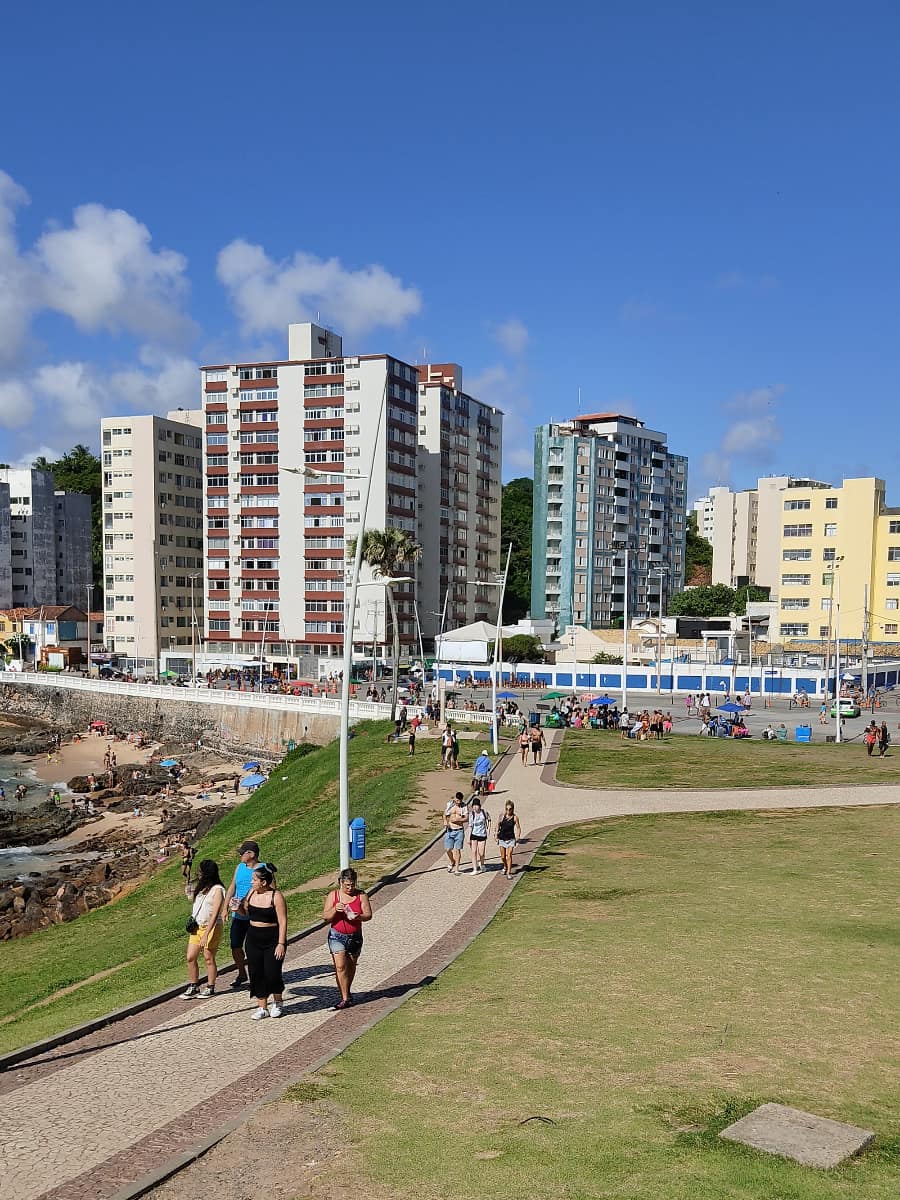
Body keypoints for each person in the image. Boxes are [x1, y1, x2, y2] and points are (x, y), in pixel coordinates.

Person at [240, 863, 288, 1019]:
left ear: (264, 882)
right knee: (256, 972)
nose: (251, 882)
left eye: (254, 880)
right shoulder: (251, 893)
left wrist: (281, 943)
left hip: (272, 937)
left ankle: (278, 1002)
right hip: (253, 937)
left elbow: (283, 921)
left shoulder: (276, 896)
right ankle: (262, 1006)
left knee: (272, 972)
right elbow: (245, 912)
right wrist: (237, 908)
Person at [323, 867, 373, 1010]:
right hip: (337, 935)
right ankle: (344, 998)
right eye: (347, 885)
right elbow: (325, 917)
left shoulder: (361, 895)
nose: (350, 888)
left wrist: (359, 916)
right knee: (340, 966)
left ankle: (347, 992)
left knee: (350, 967)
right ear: (341, 883)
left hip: (355, 936)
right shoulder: (333, 895)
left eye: (352, 885)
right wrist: (334, 909)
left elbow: (368, 915)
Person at [181, 859, 226, 999]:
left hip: (212, 927)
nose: (198, 874)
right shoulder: (201, 888)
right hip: (197, 926)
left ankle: (210, 986)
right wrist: (189, 892)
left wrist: (206, 934)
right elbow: (196, 903)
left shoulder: (218, 889)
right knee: (190, 957)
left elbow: (215, 913)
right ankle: (194, 985)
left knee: (208, 957)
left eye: (200, 871)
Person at [223, 839, 261, 988]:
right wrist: (225, 907)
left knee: (253, 947)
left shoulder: (263, 868)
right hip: (238, 915)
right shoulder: (239, 867)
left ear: (251, 854)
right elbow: (232, 886)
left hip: (255, 914)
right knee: (235, 946)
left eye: (242, 853)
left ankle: (257, 975)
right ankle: (242, 973)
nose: (240, 856)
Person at [443, 791, 468, 874]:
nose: (458, 802)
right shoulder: (450, 805)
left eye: (459, 801)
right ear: (455, 799)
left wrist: (458, 819)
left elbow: (466, 818)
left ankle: (457, 868)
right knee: (448, 849)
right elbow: (444, 814)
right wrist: (445, 821)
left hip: (459, 830)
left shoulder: (464, 806)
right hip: (450, 830)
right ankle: (452, 861)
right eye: (457, 801)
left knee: (457, 850)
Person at [496, 801, 521, 879]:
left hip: (511, 839)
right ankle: (505, 866)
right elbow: (498, 825)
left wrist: (518, 836)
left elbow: (518, 828)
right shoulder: (502, 816)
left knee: (509, 855)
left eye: (510, 809)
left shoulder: (515, 817)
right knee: (503, 857)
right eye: (507, 809)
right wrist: (496, 834)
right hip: (502, 838)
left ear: (513, 809)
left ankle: (508, 873)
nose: (508, 811)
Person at [468, 795, 491, 873]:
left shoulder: (484, 813)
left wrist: (488, 829)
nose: (475, 807)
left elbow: (489, 819)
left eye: (476, 805)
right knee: (473, 852)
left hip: (482, 835)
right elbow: (470, 826)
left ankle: (482, 864)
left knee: (481, 853)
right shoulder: (472, 814)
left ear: (479, 806)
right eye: (473, 806)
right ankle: (475, 869)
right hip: (474, 835)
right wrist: (469, 838)